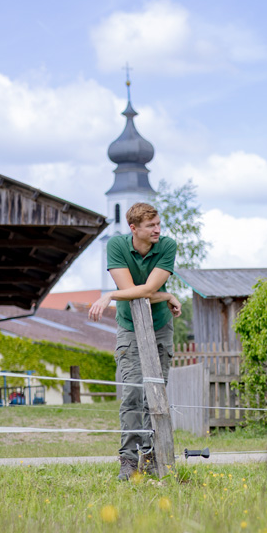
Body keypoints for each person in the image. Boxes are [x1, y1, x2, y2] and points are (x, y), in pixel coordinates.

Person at [89, 202, 182, 480]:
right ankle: (129, 461)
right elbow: (133, 292)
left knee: (155, 395)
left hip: (160, 326)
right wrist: (165, 295)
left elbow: (147, 289)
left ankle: (153, 458)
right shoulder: (117, 245)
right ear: (134, 228)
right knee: (131, 393)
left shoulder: (166, 245)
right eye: (151, 225)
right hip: (130, 327)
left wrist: (111, 295)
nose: (157, 229)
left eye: (158, 224)